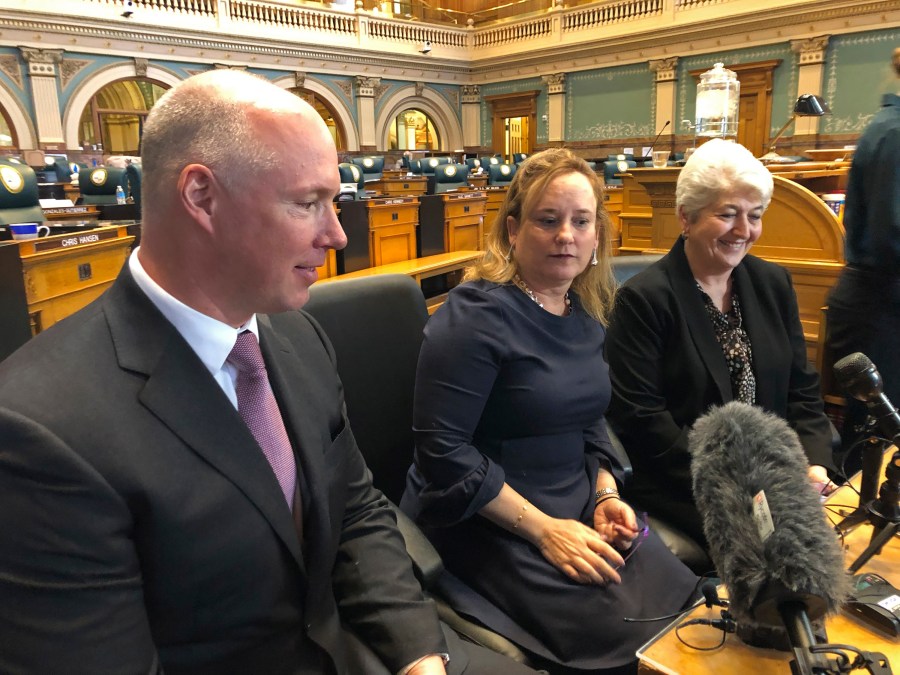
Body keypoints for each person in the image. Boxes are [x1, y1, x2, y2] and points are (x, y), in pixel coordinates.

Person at [0, 70, 533, 675]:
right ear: (201, 196)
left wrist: (419, 655)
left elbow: (356, 512)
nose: (335, 234)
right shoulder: (38, 432)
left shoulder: (296, 336)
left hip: (358, 647)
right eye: (308, 203)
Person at [401, 148, 699, 674]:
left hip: (576, 498)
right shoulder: (473, 317)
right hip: (486, 516)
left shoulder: (582, 309)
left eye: (581, 221)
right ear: (513, 230)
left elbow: (588, 419)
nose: (567, 235)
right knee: (618, 638)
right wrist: (545, 531)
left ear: (597, 234)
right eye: (548, 220)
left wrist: (606, 492)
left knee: (687, 607)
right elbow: (442, 453)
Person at [605, 138, 836, 550]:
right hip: (687, 480)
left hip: (773, 474)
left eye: (755, 215)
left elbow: (801, 391)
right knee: (782, 552)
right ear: (686, 218)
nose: (744, 231)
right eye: (727, 215)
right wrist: (742, 483)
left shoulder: (773, 283)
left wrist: (813, 465)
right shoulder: (644, 298)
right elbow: (643, 422)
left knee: (842, 532)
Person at [826, 47, 900, 452]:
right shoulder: (894, 132)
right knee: (877, 440)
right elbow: (891, 233)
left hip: (882, 300)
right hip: (879, 306)